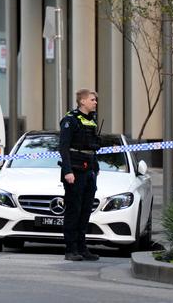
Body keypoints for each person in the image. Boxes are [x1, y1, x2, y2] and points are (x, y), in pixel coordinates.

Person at [58, 88, 101, 262]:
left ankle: (82, 248)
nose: (95, 102)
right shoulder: (70, 120)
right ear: (82, 101)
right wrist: (68, 171)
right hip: (75, 171)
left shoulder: (91, 120)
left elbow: (91, 148)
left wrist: (95, 169)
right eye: (92, 100)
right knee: (73, 210)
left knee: (85, 211)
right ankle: (71, 249)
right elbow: (63, 147)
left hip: (89, 171)